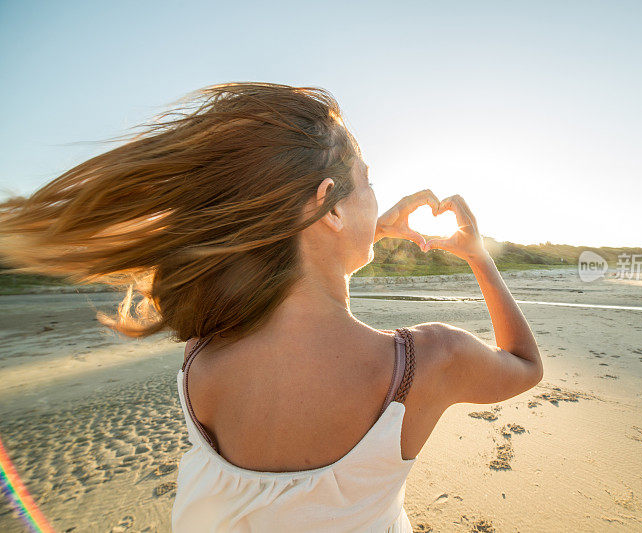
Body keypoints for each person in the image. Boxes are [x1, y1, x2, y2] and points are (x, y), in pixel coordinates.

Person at [0, 82, 543, 532]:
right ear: (328, 205)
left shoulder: (206, 346)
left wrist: (368, 226)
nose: (378, 196)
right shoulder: (427, 361)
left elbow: (300, 264)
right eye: (368, 182)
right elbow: (524, 365)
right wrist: (476, 254)